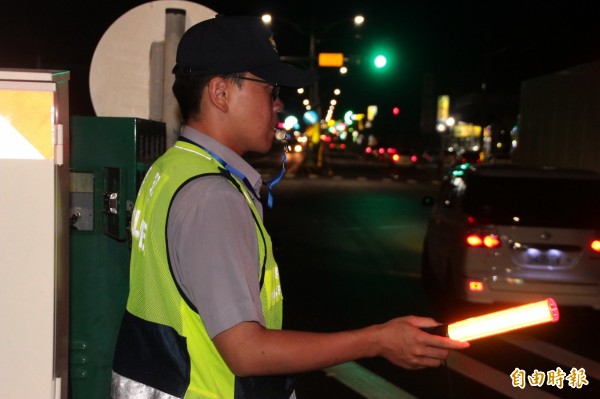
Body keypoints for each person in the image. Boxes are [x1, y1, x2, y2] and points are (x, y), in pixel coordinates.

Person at [111, 14, 469, 399]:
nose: (279, 103)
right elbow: (247, 352)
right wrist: (377, 340)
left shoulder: (169, 168)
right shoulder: (211, 196)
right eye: (270, 88)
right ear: (220, 93)